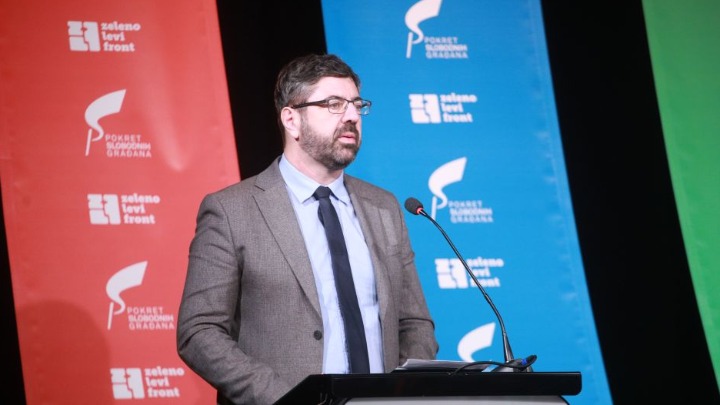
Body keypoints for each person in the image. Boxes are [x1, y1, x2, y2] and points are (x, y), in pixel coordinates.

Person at [177, 53, 438, 405]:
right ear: (291, 119)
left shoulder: (384, 206)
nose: (351, 116)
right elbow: (199, 331)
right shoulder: (232, 210)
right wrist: (284, 399)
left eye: (357, 105)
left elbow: (415, 322)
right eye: (334, 104)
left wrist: (401, 395)